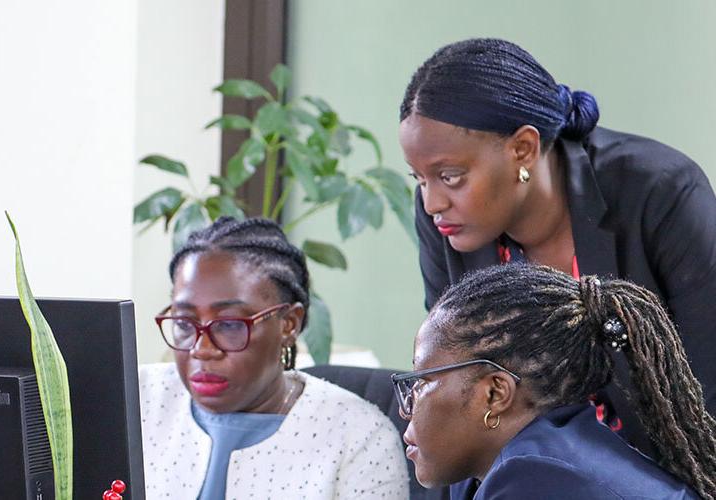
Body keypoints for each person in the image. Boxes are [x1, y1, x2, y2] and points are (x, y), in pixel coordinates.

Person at [398, 38, 716, 456]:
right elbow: (455, 383)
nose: (432, 202)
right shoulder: (445, 223)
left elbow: (709, 385)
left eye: (450, 176)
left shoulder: (660, 192)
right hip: (531, 471)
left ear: (523, 148)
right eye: (419, 179)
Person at [138, 217, 409, 499]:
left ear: (288, 324)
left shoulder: (360, 438)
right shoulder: (136, 397)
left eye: (230, 324)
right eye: (184, 323)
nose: (202, 349)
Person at [396, 264, 715, 499]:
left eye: (421, 382)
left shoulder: (532, 478)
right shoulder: (544, 454)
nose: (405, 408)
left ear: (494, 393)